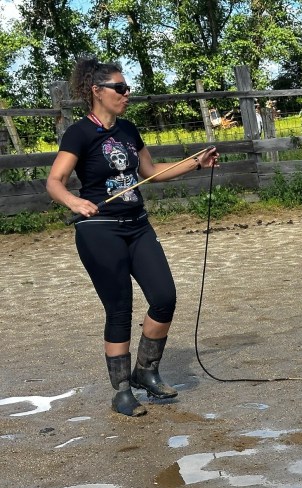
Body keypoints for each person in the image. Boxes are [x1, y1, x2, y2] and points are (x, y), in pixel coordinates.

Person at [46, 57, 219, 417]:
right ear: (97, 91)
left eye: (127, 88)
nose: (127, 94)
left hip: (137, 225)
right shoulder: (79, 133)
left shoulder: (128, 130)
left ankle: (147, 371)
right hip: (99, 231)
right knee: (119, 309)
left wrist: (196, 163)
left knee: (164, 297)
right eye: (120, 89)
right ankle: (122, 391)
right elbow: (55, 182)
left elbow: (152, 173)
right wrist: (76, 203)